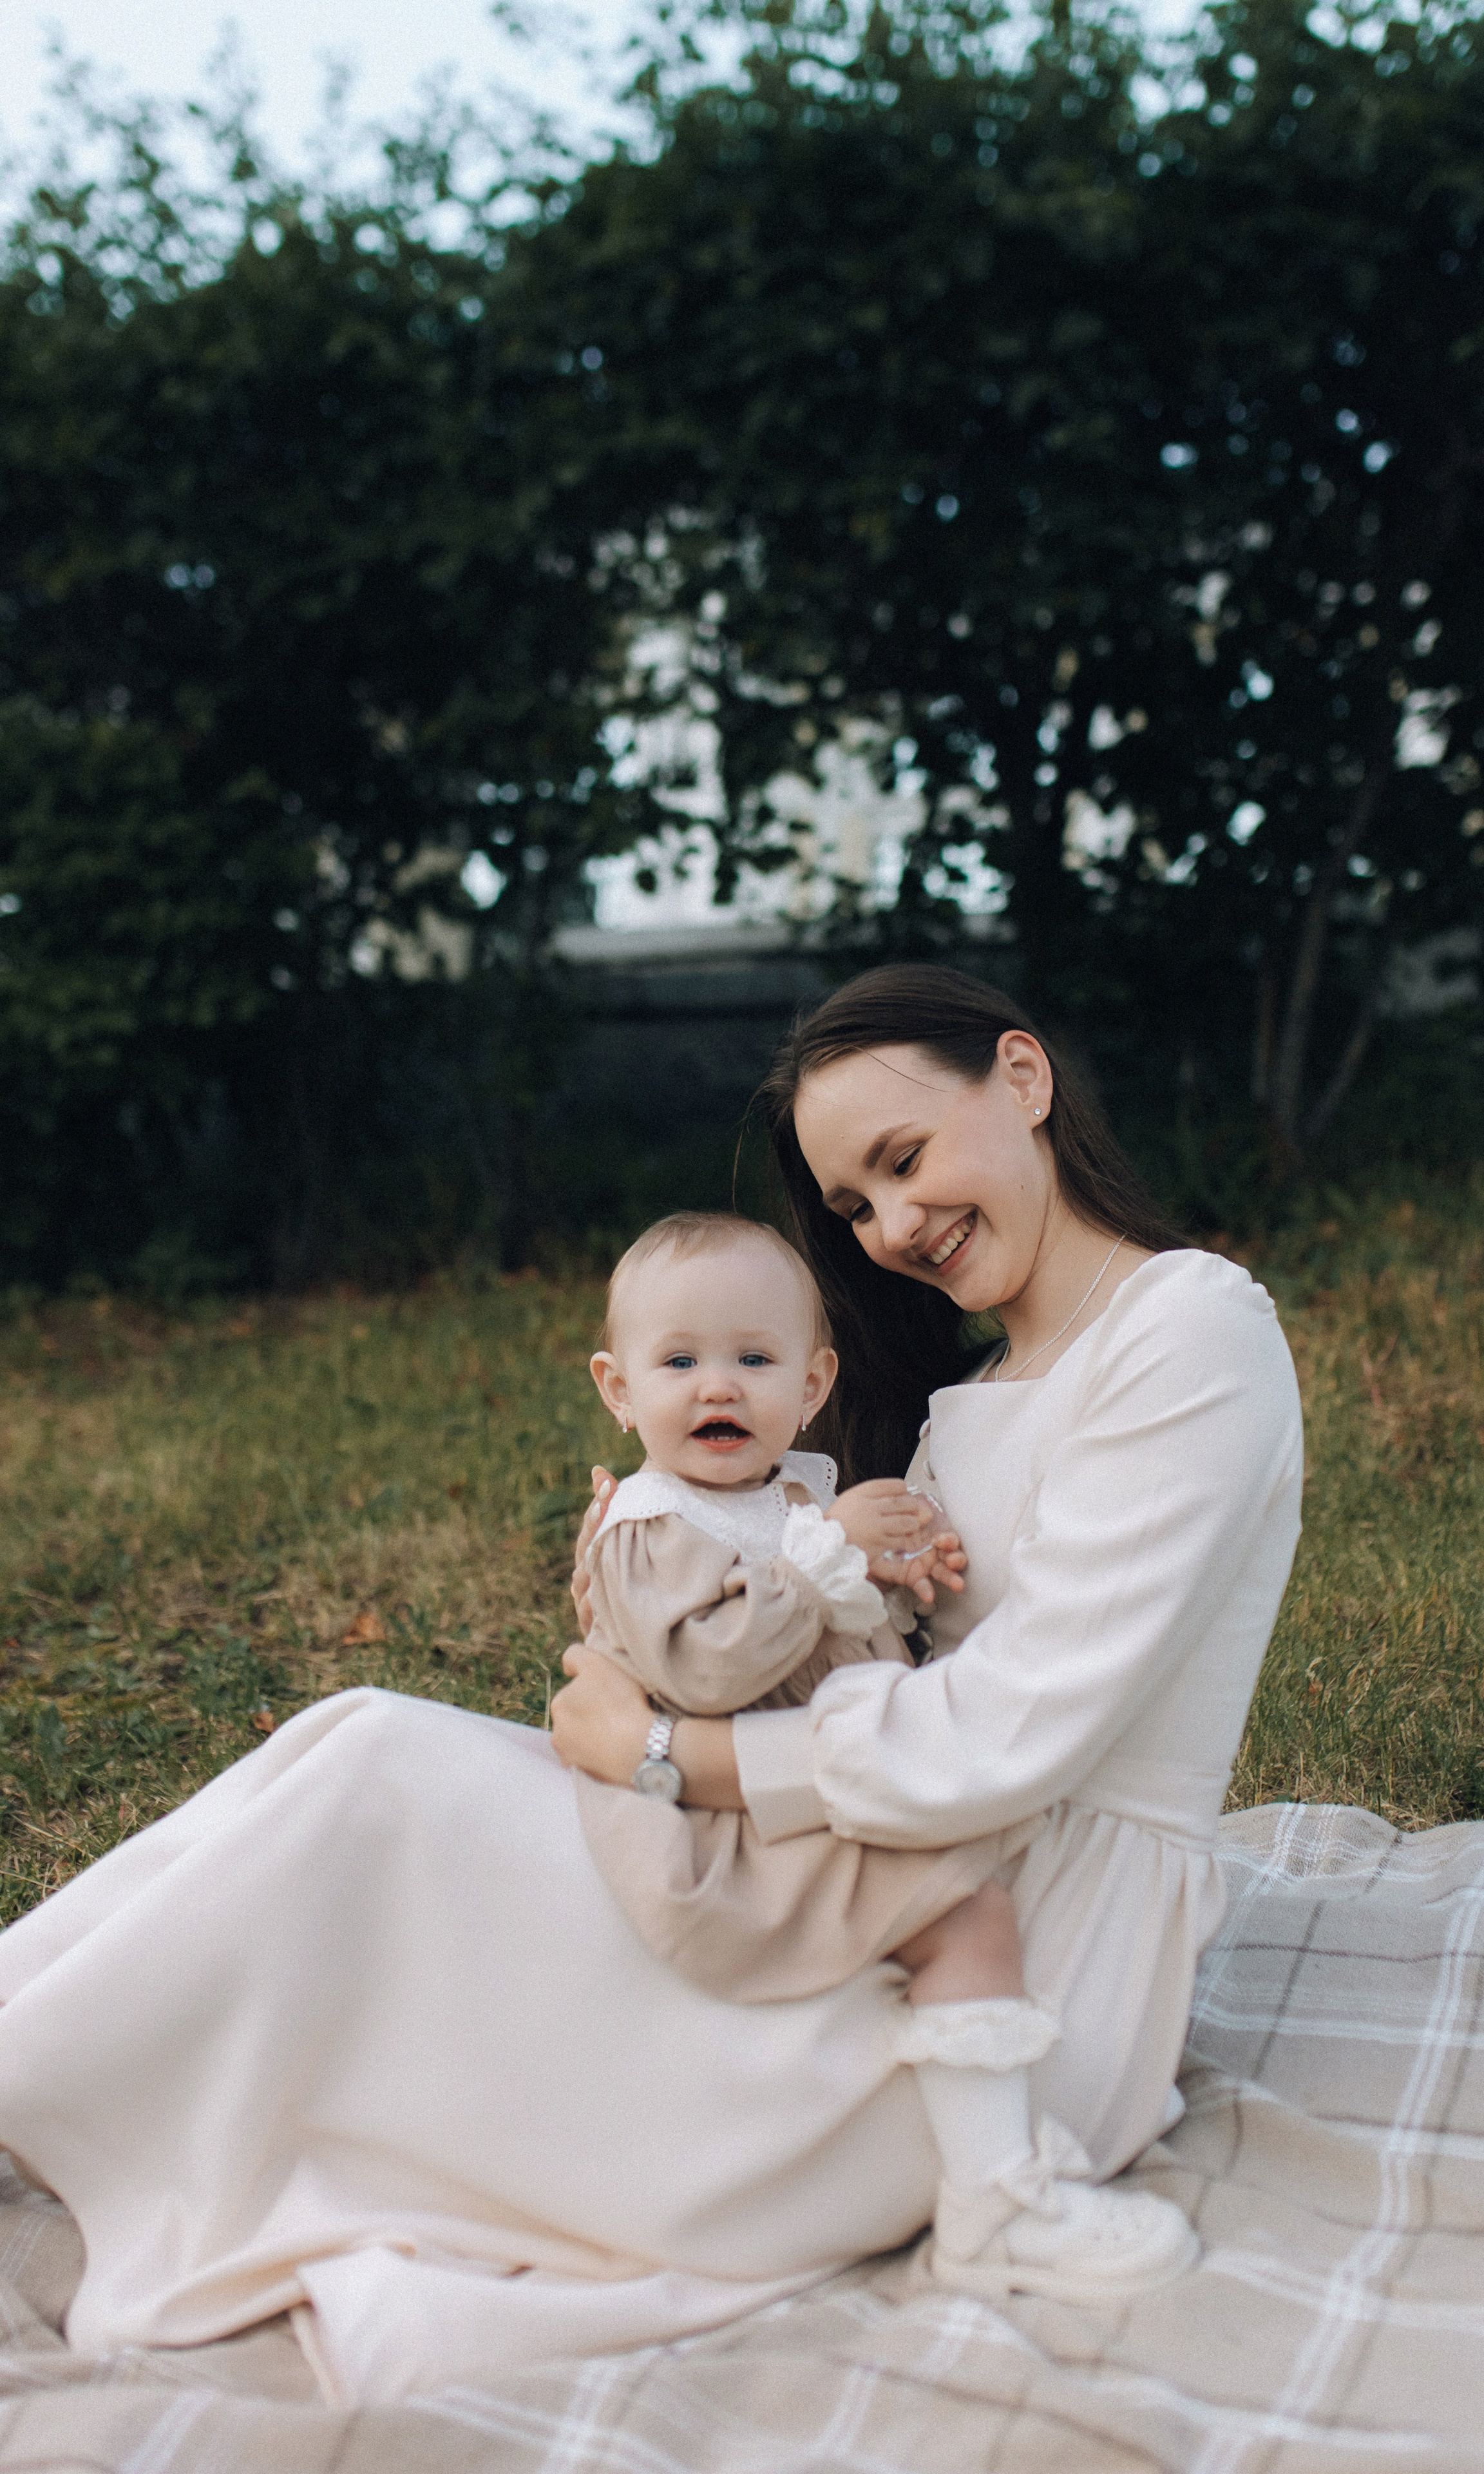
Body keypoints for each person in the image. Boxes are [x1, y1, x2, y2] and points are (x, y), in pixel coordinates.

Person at [0, 962, 1302, 2404]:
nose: (892, 1228)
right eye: (856, 1207)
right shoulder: (982, 1386)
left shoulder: (1189, 1333)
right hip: (869, 1851)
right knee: (362, 1750)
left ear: (1022, 1075)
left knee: (383, 1789)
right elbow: (878, 1657)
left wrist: (665, 1756)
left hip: (1017, 1955)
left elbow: (1012, 1736)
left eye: (902, 1159)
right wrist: (683, 1584)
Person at [573, 1205, 1198, 2301]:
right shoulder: (650, 1523)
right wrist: (825, 1564)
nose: (718, 1388)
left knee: (972, 1895)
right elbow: (710, 1669)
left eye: (753, 1360)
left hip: (808, 1783)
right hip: (724, 1825)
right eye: (678, 1362)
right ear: (619, 1390)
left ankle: (978, 2158)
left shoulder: (797, 1496)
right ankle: (997, 2201)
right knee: (965, 1915)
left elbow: (835, 1627)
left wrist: (894, 1579)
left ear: (812, 1386)